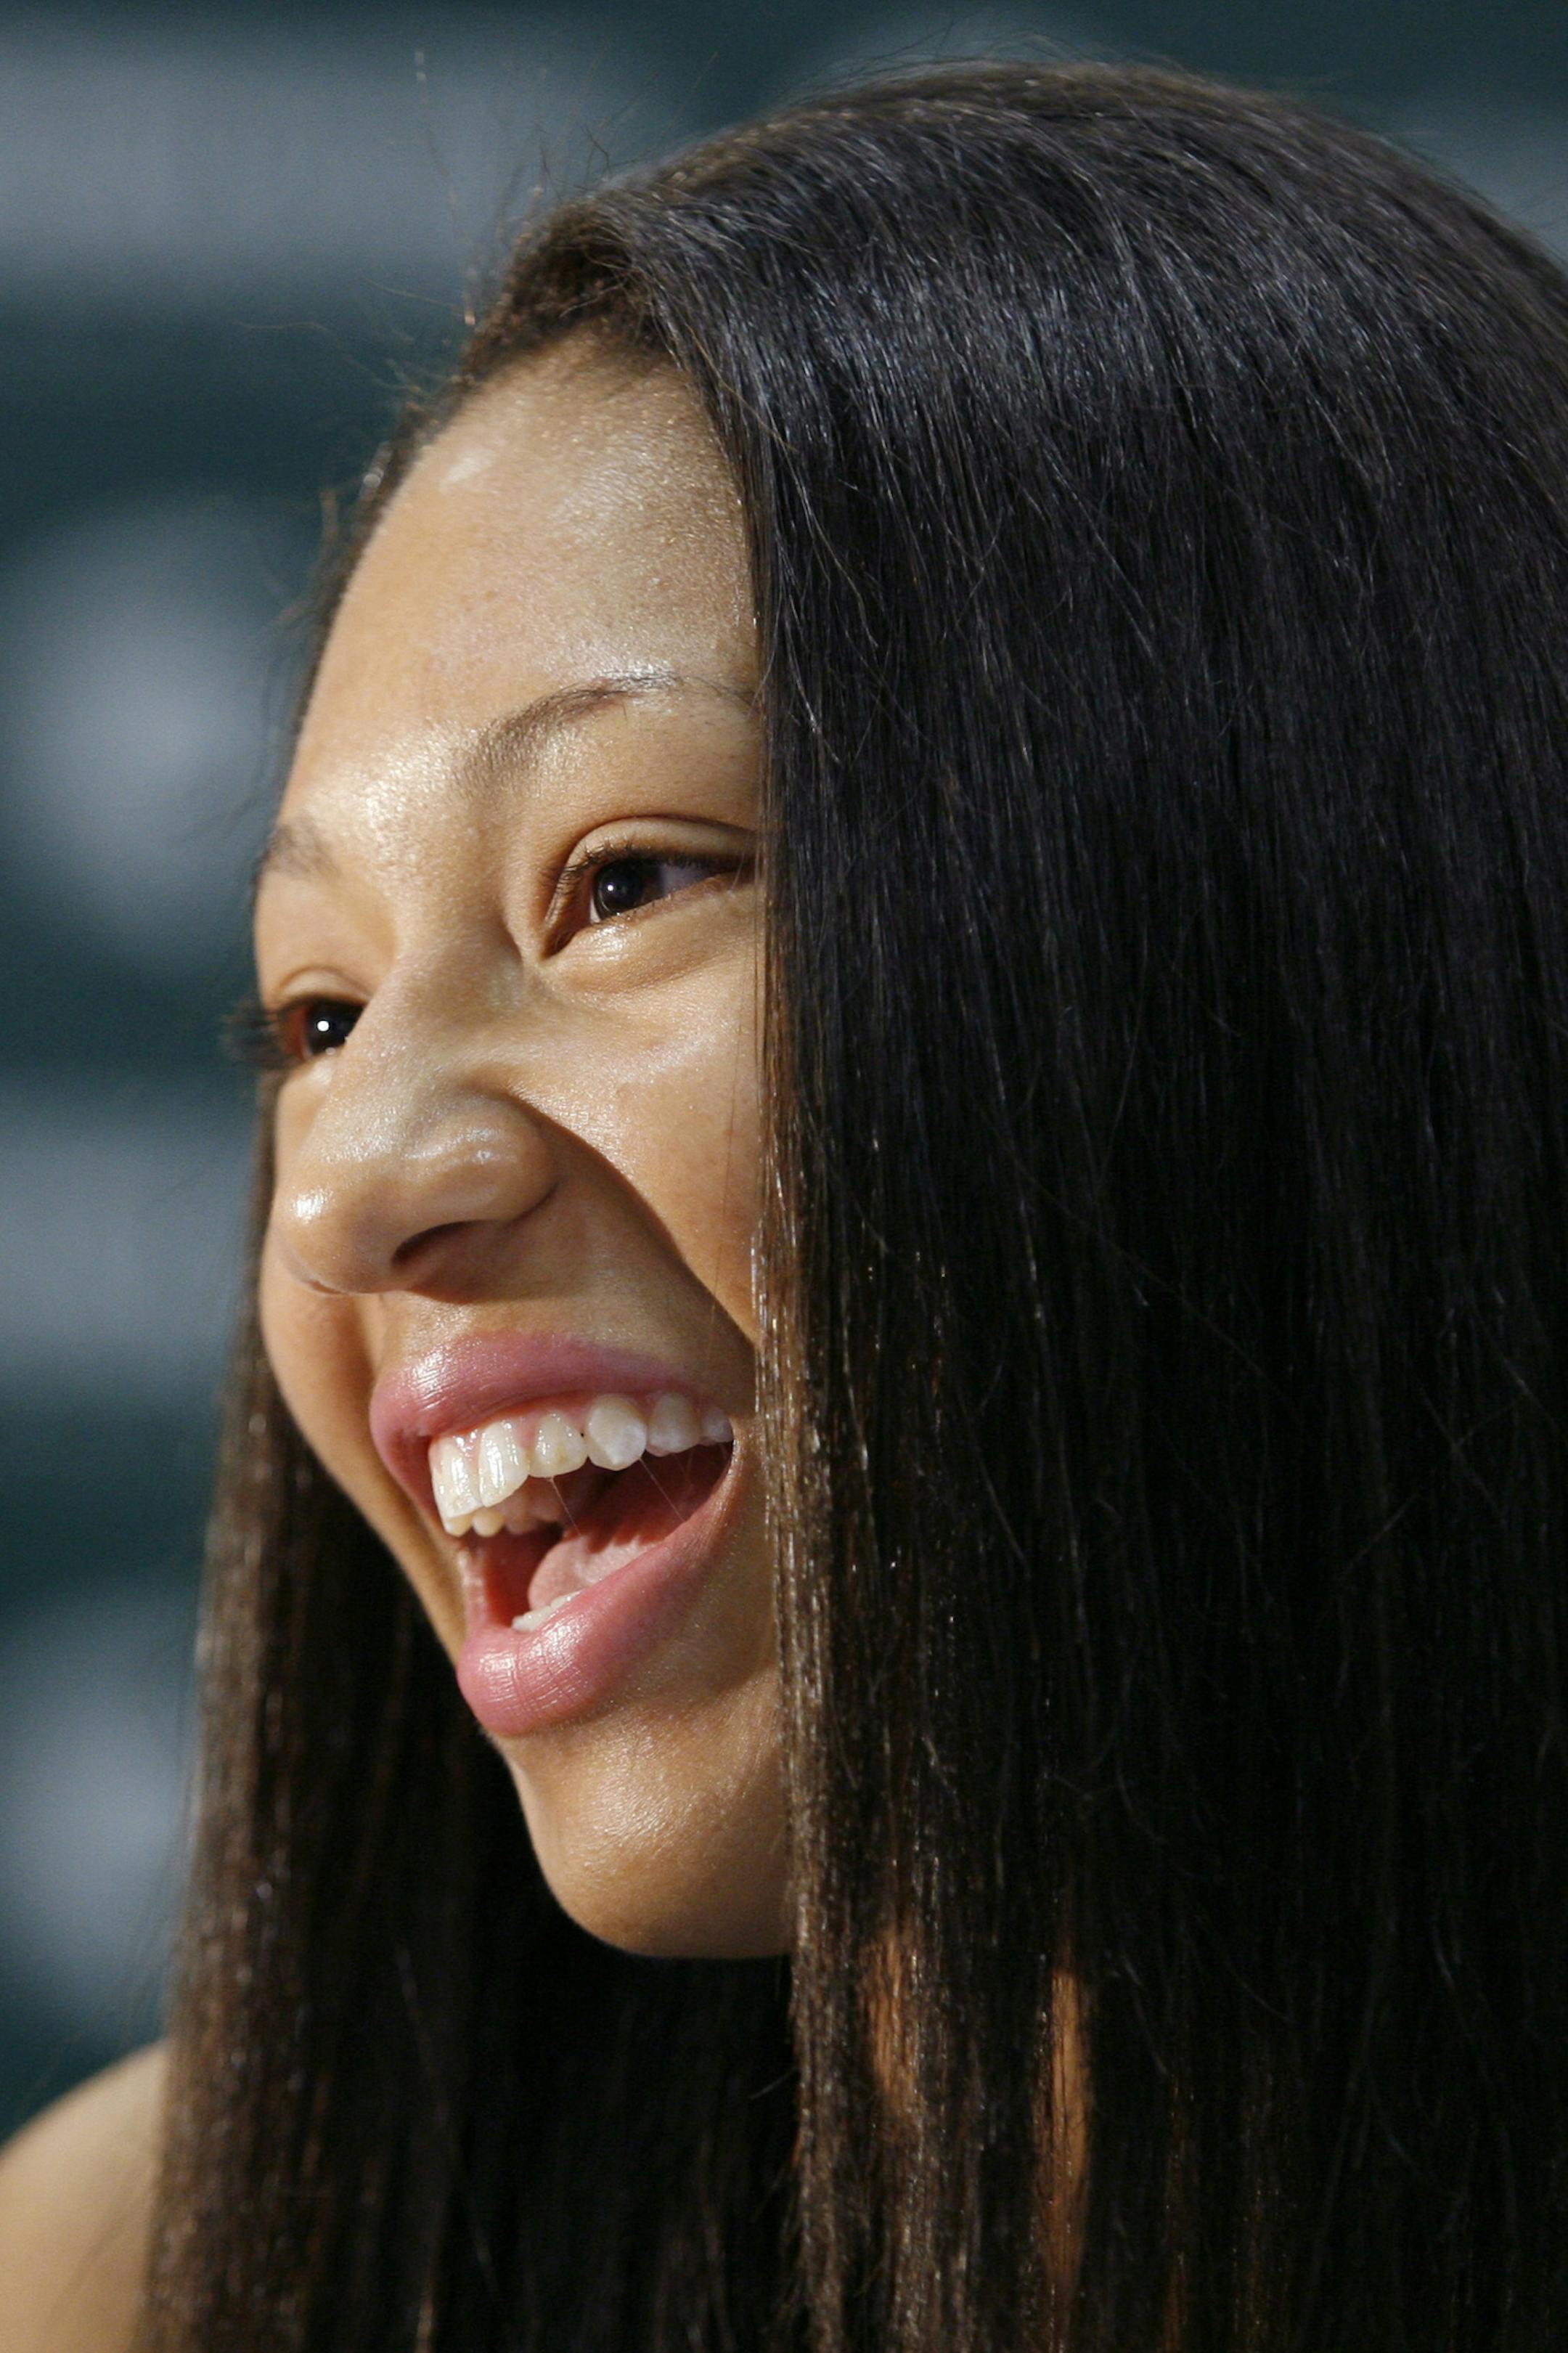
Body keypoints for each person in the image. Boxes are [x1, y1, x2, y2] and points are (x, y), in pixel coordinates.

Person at [2, 56, 1566, 2353]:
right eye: (311, 1013)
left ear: (1298, 925)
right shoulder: (161, 2267)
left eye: (624, 881)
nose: (350, 1190)